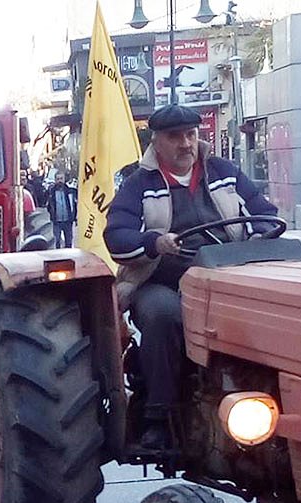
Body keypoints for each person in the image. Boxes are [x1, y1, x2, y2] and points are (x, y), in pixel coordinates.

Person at [103, 105, 279, 450]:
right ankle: (159, 418)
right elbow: (117, 237)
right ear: (157, 141)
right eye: (175, 136)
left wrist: (259, 234)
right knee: (162, 315)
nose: (185, 144)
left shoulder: (224, 172)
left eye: (191, 134)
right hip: (163, 279)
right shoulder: (138, 183)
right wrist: (153, 242)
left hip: (227, 272)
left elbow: (266, 214)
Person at [45, 173, 78, 248]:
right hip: (57, 221)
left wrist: (74, 217)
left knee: (69, 242)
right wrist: (52, 214)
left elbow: (74, 205)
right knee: (57, 241)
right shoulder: (51, 192)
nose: (60, 181)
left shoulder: (70, 191)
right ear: (55, 180)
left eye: (61, 178)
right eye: (58, 179)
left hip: (68, 221)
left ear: (64, 179)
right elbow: (48, 205)